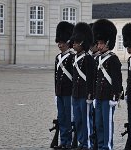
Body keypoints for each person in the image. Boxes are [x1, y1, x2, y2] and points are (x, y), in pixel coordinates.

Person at [92, 19, 122, 150]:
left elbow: (117, 80)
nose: (99, 46)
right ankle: (100, 145)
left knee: (107, 124)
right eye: (98, 43)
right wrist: (94, 95)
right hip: (98, 96)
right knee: (98, 123)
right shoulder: (97, 58)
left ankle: (107, 146)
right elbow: (95, 79)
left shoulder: (113, 59)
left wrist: (115, 96)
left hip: (108, 97)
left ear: (108, 43)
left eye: (101, 43)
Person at [71, 22, 95, 150]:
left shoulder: (88, 59)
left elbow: (91, 79)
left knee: (86, 120)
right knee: (78, 120)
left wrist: (90, 94)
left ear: (82, 43)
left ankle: (87, 143)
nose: (73, 44)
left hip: (85, 95)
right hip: (76, 93)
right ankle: (81, 142)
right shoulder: (75, 58)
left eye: (76, 42)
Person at [54, 21, 74, 149]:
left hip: (69, 92)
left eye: (61, 42)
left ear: (67, 42)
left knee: (68, 118)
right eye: (59, 42)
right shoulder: (58, 57)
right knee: (61, 117)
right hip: (60, 92)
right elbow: (55, 76)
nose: (59, 45)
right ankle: (64, 141)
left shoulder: (72, 57)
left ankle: (69, 141)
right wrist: (55, 92)